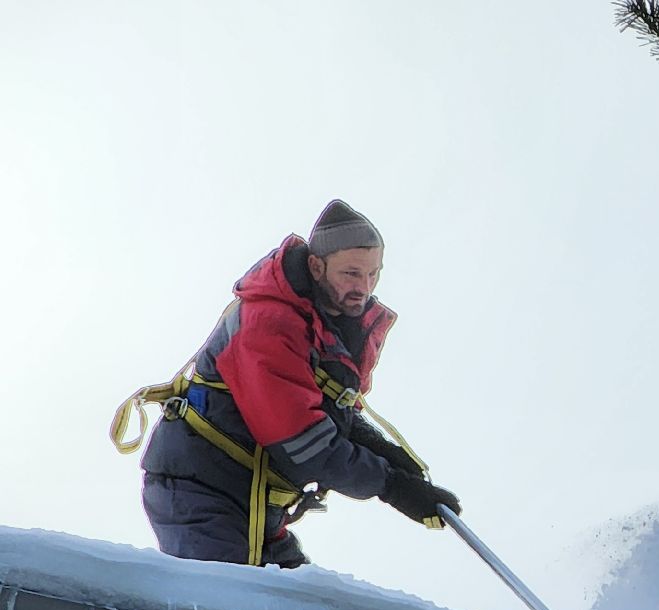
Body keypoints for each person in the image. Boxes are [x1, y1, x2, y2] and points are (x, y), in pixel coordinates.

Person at [135, 200, 460, 568]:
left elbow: (337, 413)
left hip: (259, 504)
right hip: (202, 493)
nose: (364, 288)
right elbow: (305, 444)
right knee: (230, 608)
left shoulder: (333, 332)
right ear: (316, 266)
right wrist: (391, 486)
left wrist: (390, 458)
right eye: (351, 274)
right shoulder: (268, 324)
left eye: (373, 274)